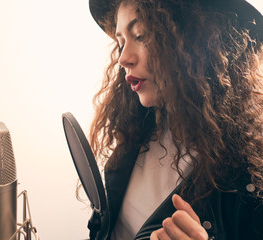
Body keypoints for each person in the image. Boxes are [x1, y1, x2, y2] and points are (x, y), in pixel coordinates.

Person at [85, 0, 263, 239]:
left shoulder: (250, 171)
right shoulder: (139, 127)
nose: (123, 58)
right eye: (120, 43)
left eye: (141, 36)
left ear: (195, 41)